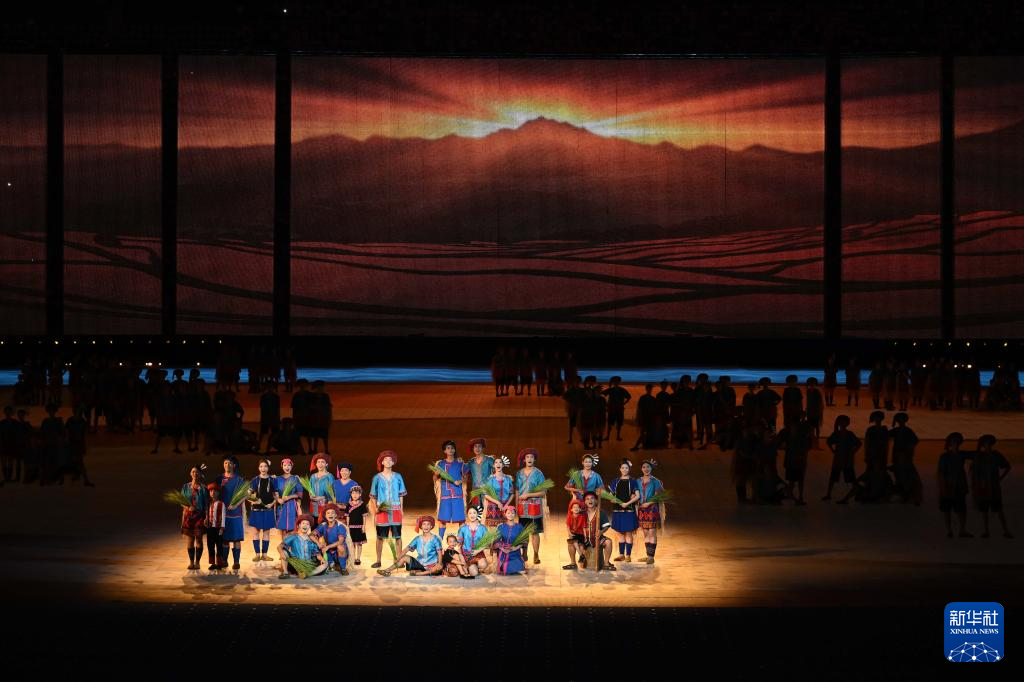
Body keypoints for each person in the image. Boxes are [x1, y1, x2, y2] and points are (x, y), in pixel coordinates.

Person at [970, 435, 1013, 539]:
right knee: (985, 511)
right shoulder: (980, 456)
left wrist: (1000, 478)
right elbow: (973, 472)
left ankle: (1005, 530)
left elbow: (1007, 466)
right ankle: (986, 531)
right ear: (983, 444)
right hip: (983, 487)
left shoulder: (996, 455)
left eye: (989, 443)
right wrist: (975, 485)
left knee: (999, 510)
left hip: (994, 487)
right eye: (986, 443)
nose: (988, 445)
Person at [369, 450, 407, 568]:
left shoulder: (398, 476)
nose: (388, 461)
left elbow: (401, 494)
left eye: (390, 460)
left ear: (393, 462)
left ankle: (398, 559)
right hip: (382, 510)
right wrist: (376, 508)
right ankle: (378, 560)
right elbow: (373, 495)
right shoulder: (377, 477)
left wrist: (401, 509)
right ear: (382, 462)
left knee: (397, 536)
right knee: (380, 536)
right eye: (385, 460)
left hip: (395, 509)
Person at [377, 515, 444, 576]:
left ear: (431, 526)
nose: (426, 526)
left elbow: (439, 552)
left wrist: (439, 563)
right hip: (420, 564)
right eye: (424, 524)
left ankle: (419, 573)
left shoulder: (435, 539)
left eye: (428, 524)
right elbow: (406, 549)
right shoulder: (417, 539)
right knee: (404, 558)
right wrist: (398, 558)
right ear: (421, 526)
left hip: (432, 565)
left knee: (439, 567)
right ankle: (387, 570)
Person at [564, 492, 615, 571]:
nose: (590, 500)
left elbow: (606, 526)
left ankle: (606, 563)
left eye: (592, 498)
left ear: (596, 501)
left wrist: (601, 532)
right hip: (584, 538)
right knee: (571, 542)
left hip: (597, 538)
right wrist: (571, 532)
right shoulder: (581, 513)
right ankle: (573, 563)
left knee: (608, 542)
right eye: (587, 499)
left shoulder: (600, 513)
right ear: (584, 502)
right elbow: (571, 520)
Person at [515, 448, 547, 565]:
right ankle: (524, 553)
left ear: (534, 459)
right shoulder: (519, 473)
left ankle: (536, 554)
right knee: (523, 532)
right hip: (522, 508)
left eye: (531, 457)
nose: (529, 459)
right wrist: (516, 506)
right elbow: (517, 490)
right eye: (527, 457)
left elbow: (543, 492)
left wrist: (529, 495)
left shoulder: (538, 473)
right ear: (524, 459)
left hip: (535, 508)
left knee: (534, 532)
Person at [938, 432, 972, 539]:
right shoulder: (945, 457)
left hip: (959, 486)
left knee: (961, 509)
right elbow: (941, 473)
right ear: (950, 443)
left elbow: (975, 455)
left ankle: (961, 530)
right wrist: (943, 488)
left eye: (957, 442)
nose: (956, 444)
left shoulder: (960, 454)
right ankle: (950, 530)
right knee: (949, 510)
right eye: (954, 442)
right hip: (949, 486)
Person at [217, 455, 247, 570]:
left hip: (236, 513)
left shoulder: (239, 479)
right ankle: (224, 561)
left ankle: (236, 562)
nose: (227, 465)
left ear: (234, 465)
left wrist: (235, 504)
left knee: (236, 539)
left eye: (229, 463)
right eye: (225, 463)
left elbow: (245, 495)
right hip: (223, 514)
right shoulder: (219, 479)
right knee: (225, 539)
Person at [432, 440, 466, 539]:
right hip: (445, 495)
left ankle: (461, 542)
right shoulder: (440, 464)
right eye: (448, 448)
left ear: (455, 450)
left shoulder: (460, 463)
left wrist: (460, 481)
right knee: (442, 520)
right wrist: (436, 474)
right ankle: (440, 540)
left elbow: (465, 478)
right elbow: (434, 479)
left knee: (461, 519)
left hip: (458, 494)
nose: (450, 450)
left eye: (452, 448)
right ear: (444, 451)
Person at [822, 416, 860, 502]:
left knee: (844, 478)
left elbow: (829, 442)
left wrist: (852, 453)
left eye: (843, 422)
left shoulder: (845, 434)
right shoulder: (843, 434)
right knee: (836, 477)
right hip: (841, 459)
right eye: (841, 422)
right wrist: (852, 452)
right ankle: (831, 495)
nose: (842, 424)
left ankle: (830, 495)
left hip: (844, 460)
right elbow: (858, 444)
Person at [277, 514, 328, 579]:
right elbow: (280, 546)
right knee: (284, 551)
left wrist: (322, 559)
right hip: (295, 564)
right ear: (298, 526)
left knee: (325, 564)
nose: (305, 525)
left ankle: (307, 573)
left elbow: (317, 555)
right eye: (303, 523)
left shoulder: (311, 541)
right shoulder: (294, 537)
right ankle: (285, 573)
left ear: (309, 527)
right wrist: (281, 553)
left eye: (307, 524)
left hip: (308, 564)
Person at [179, 464, 210, 570]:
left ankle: (197, 562)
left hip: (200, 516)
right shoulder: (185, 487)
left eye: (197, 472)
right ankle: (191, 562)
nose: (195, 473)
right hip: (188, 517)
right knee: (190, 540)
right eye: (193, 472)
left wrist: (207, 517)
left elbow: (207, 504)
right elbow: (181, 502)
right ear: (190, 473)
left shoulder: (203, 488)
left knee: (199, 539)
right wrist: (188, 507)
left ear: (200, 474)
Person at [777, 415, 813, 505]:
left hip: (796, 461)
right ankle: (796, 496)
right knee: (794, 481)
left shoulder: (790, 433)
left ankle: (797, 496)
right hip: (794, 461)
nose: (793, 428)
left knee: (797, 480)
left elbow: (808, 445)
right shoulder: (793, 434)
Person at [609, 459, 641, 562]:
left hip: (629, 511)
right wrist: (612, 500)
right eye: (622, 468)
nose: (624, 469)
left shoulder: (632, 481)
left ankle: (628, 555)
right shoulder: (615, 481)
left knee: (628, 533)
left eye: (626, 468)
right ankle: (621, 554)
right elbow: (610, 496)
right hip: (617, 511)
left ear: (629, 469)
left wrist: (627, 503)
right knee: (620, 533)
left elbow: (638, 496)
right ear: (620, 469)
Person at [248, 458, 277, 562]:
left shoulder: (272, 480)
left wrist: (272, 504)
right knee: (256, 532)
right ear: (258, 468)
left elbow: (276, 495)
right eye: (261, 466)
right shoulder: (255, 480)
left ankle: (264, 555)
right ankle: (257, 555)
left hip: (268, 510)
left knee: (266, 533)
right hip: (256, 511)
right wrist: (254, 501)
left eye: (265, 466)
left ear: (268, 468)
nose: (263, 468)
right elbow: (248, 495)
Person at [889, 413, 921, 505]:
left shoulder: (907, 431)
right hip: (898, 455)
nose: (900, 422)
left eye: (901, 420)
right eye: (899, 420)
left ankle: (909, 493)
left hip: (905, 456)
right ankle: (903, 493)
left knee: (906, 474)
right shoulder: (898, 430)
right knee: (899, 474)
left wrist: (909, 450)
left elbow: (915, 441)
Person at [637, 459, 665, 564]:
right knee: (645, 533)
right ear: (641, 469)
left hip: (652, 509)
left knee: (652, 532)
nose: (646, 469)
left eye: (648, 467)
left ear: (651, 468)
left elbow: (659, 495)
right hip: (642, 509)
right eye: (644, 467)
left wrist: (649, 503)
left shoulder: (655, 481)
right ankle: (648, 554)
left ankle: (651, 557)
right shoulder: (638, 481)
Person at [314, 503, 350, 575]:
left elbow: (340, 541)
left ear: (336, 515)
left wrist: (328, 547)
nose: (330, 515)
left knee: (340, 546)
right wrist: (318, 543)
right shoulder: (323, 525)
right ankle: (330, 563)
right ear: (325, 515)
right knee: (316, 542)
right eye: (328, 513)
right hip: (328, 552)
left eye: (332, 513)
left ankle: (343, 568)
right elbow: (311, 535)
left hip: (338, 551)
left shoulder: (340, 526)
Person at [456, 505, 490, 575]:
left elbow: (487, 543)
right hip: (467, 554)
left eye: (474, 513)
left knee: (483, 565)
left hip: (478, 552)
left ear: (477, 514)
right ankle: (471, 567)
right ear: (467, 515)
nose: (472, 515)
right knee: (474, 573)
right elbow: (459, 543)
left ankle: (477, 565)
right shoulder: (463, 528)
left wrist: (478, 551)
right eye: (470, 513)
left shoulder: (483, 528)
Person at [483, 456, 515, 528]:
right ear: (494, 465)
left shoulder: (508, 479)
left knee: (504, 529)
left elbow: (512, 494)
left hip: (505, 507)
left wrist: (506, 505)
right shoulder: (490, 479)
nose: (498, 464)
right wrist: (497, 502)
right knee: (493, 530)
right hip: (493, 508)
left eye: (500, 462)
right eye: (496, 462)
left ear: (503, 465)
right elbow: (486, 494)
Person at [495, 506, 527, 575]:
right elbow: (496, 541)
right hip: (504, 552)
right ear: (505, 514)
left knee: (521, 569)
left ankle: (515, 567)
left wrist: (515, 548)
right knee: (503, 567)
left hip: (515, 552)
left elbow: (523, 541)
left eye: (512, 513)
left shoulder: (519, 527)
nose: (510, 515)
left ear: (515, 514)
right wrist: (503, 549)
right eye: (508, 513)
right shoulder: (501, 527)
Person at [273, 457, 301, 536]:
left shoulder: (295, 478)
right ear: (282, 467)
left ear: (291, 467)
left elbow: (299, 493)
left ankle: (291, 544)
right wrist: (278, 499)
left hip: (292, 506)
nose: (287, 467)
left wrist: (289, 497)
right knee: (283, 531)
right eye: (285, 465)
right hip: (281, 506)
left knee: (292, 529)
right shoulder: (277, 479)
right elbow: (274, 493)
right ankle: (284, 544)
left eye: (289, 465)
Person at [466, 437, 493, 509]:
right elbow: (463, 471)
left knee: (487, 511)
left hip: (487, 490)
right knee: (476, 511)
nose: (477, 448)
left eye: (479, 446)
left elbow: (497, 472)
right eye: (475, 446)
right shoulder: (471, 462)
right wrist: (460, 462)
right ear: (473, 448)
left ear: (483, 448)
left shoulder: (489, 460)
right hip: (475, 490)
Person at [205, 482, 226, 571]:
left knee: (219, 546)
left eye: (215, 491)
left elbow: (223, 516)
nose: (213, 493)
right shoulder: (208, 504)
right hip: (210, 529)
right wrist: (206, 520)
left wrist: (222, 528)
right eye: (211, 491)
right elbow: (207, 514)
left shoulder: (221, 504)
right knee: (210, 546)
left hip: (218, 528)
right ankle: (213, 563)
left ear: (218, 493)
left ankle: (219, 563)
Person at [345, 485, 368, 565]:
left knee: (359, 543)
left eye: (357, 493)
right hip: (351, 527)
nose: (355, 495)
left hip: (360, 527)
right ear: (351, 494)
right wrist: (347, 526)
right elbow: (347, 516)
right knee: (352, 543)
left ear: (360, 494)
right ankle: (353, 557)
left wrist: (364, 526)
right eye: (353, 493)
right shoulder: (348, 504)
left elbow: (364, 516)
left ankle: (358, 558)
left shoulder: (362, 504)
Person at [308, 453, 335, 522]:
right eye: (318, 462)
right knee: (314, 525)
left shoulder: (329, 477)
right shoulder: (313, 476)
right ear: (316, 464)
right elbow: (310, 490)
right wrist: (311, 496)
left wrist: (322, 498)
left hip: (325, 506)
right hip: (313, 506)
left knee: (323, 524)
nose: (320, 464)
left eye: (322, 462)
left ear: (326, 464)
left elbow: (332, 494)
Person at [257, 381, 280, 454]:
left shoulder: (265, 397)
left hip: (269, 417)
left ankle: (262, 446)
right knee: (269, 433)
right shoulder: (275, 397)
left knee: (264, 433)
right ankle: (266, 447)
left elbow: (263, 408)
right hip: (270, 417)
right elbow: (277, 408)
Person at [805, 377, 824, 449]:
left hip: (815, 411)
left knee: (816, 426)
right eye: (811, 383)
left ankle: (816, 439)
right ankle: (813, 439)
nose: (811, 385)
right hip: (810, 411)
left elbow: (819, 403)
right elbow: (808, 402)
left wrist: (819, 411)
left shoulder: (816, 392)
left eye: (812, 383)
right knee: (812, 426)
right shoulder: (809, 391)